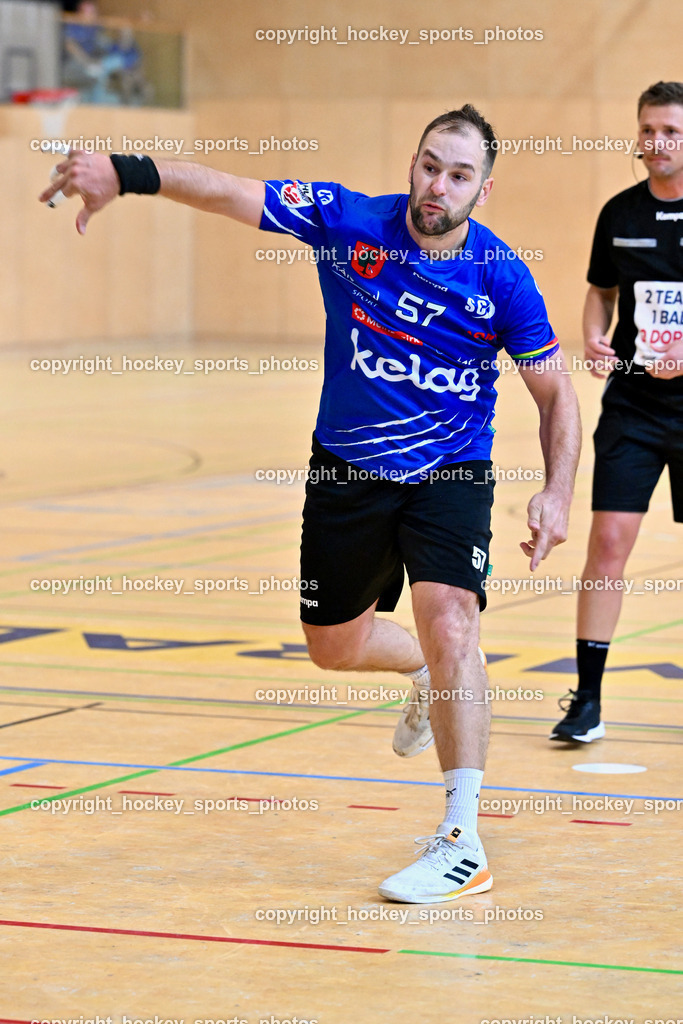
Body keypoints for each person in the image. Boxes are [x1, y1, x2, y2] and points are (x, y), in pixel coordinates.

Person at [41, 105, 580, 903]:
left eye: (459, 174)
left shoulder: (501, 276)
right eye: (431, 165)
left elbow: (555, 395)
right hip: (345, 473)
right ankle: (429, 675)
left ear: (483, 188)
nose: (439, 185)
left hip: (449, 470)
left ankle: (461, 837)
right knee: (332, 646)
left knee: (452, 623)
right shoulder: (346, 220)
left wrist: (556, 491)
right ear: (412, 161)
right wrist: (129, 172)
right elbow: (233, 193)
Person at [551, 81, 683, 744]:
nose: (654, 143)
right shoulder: (618, 213)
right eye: (647, 131)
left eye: (669, 131)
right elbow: (599, 294)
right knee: (606, 545)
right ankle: (587, 700)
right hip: (633, 406)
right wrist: (594, 335)